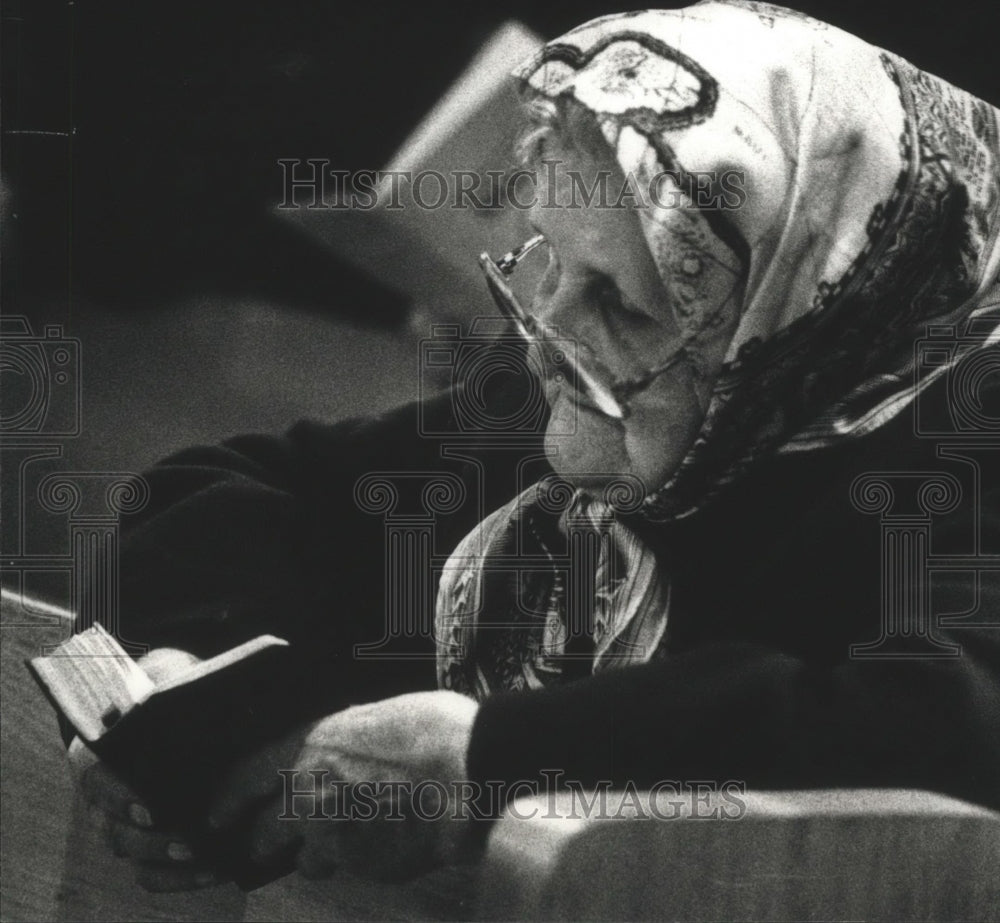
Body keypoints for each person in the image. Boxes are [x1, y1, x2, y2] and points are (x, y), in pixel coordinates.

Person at [70, 0, 999, 893]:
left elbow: (945, 726)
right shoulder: (577, 377)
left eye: (622, 300)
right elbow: (240, 488)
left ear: (791, 316)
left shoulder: (964, 446)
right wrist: (185, 682)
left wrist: (486, 762)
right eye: (549, 256)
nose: (547, 325)